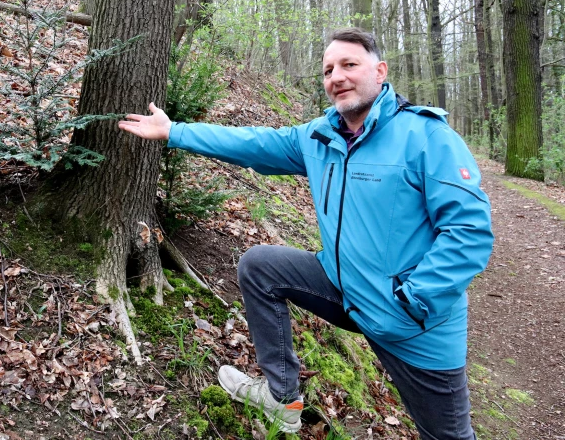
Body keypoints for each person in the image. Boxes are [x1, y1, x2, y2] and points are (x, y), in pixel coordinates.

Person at [118, 28, 493, 439]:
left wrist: (413, 301)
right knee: (260, 267)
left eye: (350, 64)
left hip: (414, 324)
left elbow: (468, 232)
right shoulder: (320, 136)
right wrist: (175, 132)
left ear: (380, 71)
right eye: (329, 70)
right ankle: (283, 398)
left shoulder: (426, 137)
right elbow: (253, 143)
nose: (337, 77)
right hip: (344, 289)